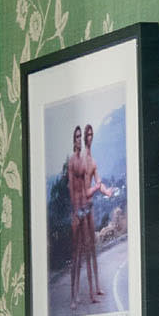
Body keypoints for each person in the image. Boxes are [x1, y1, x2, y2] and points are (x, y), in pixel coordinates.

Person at [65, 125, 91, 306]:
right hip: (77, 211)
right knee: (75, 256)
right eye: (77, 137)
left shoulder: (83, 161)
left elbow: (84, 186)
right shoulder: (72, 162)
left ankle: (83, 293)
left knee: (83, 253)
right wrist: (75, 212)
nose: (79, 140)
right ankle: (73, 297)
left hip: (86, 208)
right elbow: (71, 189)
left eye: (80, 136)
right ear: (73, 140)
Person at [81, 123, 104, 303]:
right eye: (87, 135)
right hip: (82, 207)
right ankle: (89, 292)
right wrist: (96, 189)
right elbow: (84, 190)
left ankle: (96, 288)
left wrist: (106, 190)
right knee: (87, 250)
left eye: (91, 134)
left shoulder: (94, 161)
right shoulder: (81, 159)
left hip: (91, 206)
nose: (90, 137)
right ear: (84, 138)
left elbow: (99, 182)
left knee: (93, 249)